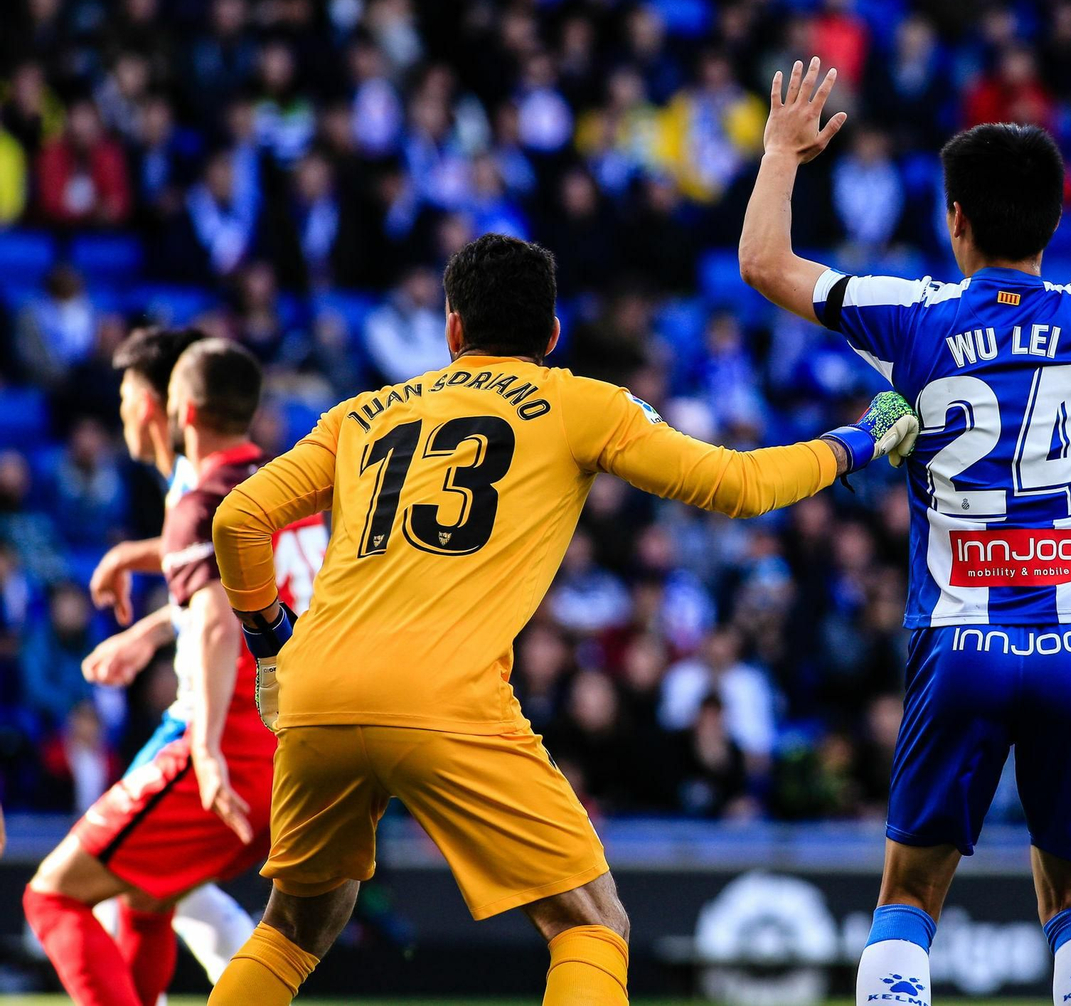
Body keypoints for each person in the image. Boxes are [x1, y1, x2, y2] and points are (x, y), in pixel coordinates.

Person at [201, 233, 918, 1006]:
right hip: (441, 696)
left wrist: (273, 647)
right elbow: (738, 485)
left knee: (293, 927)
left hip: (316, 693)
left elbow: (239, 518)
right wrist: (860, 438)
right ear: (551, 336)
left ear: (451, 330)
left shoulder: (361, 414)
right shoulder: (579, 403)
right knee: (590, 923)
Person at [738, 54, 1071, 1006]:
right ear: (1057, 224)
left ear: (956, 221)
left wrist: (781, 154)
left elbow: (765, 265)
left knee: (909, 894)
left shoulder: (915, 315)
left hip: (958, 639)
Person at [23, 336, 323, 1006]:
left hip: (230, 738)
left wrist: (210, 750)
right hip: (302, 749)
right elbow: (245, 594)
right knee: (145, 897)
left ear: (174, 408)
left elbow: (218, 617)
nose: (122, 411)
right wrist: (150, 625)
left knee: (51, 896)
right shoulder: (291, 490)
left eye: (129, 397)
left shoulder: (200, 495)